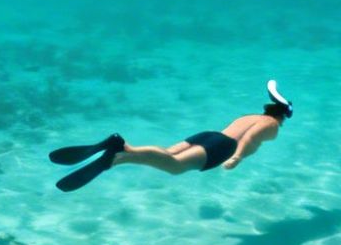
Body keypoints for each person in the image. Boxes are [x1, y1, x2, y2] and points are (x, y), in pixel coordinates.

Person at [48, 81, 293, 192]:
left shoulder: (251, 115)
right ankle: (118, 149)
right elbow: (250, 138)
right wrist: (237, 158)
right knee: (175, 167)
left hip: (210, 135)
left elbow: (245, 129)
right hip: (224, 147)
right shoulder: (271, 124)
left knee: (168, 154)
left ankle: (120, 153)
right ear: (283, 115)